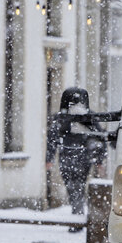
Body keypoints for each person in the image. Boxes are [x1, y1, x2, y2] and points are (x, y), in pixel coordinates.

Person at [46, 87, 104, 219]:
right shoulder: (88, 116)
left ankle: (77, 213)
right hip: (80, 156)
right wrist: (99, 160)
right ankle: (77, 212)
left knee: (73, 186)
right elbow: (99, 137)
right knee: (77, 185)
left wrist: (49, 158)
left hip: (70, 156)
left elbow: (52, 138)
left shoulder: (62, 117)